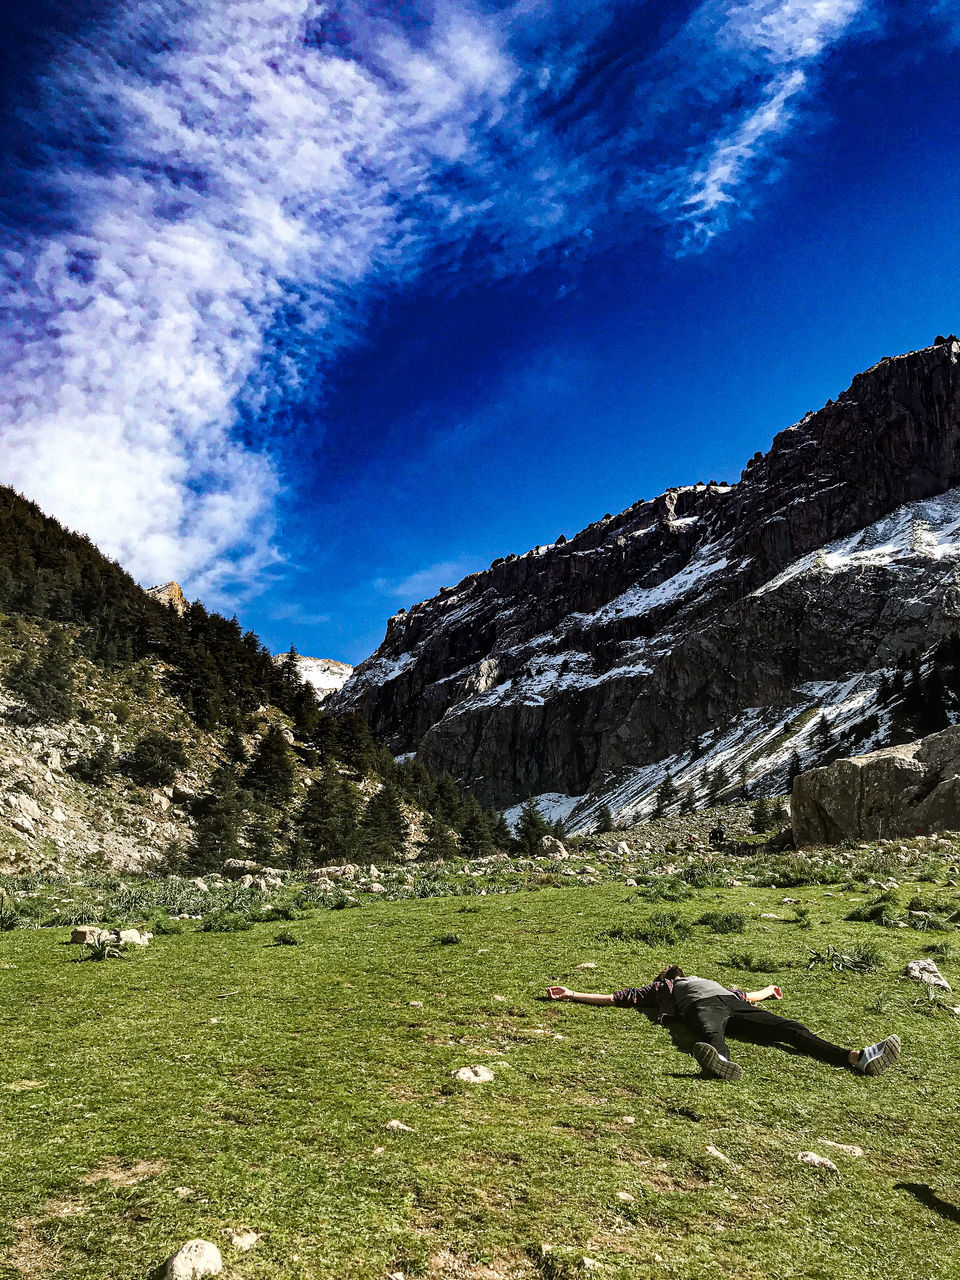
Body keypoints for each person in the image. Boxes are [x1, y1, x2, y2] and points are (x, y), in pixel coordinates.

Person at [546, 965, 901, 1082]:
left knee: (789, 1028)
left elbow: (745, 996)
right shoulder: (661, 989)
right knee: (709, 1032)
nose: (673, 970)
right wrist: (572, 993)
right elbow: (617, 997)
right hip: (701, 1006)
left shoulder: (711, 980)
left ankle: (857, 1057)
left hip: (731, 1002)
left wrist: (768, 990)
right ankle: (721, 1064)